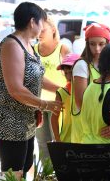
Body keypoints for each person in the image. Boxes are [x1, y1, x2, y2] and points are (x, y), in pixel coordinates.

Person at [0, 2, 62, 177]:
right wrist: (45, 104)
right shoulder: (12, 45)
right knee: (13, 171)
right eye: (41, 23)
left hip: (25, 120)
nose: (42, 28)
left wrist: (62, 90)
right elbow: (16, 89)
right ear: (32, 22)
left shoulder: (28, 45)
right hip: (9, 120)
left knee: (24, 167)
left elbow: (38, 77)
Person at [34, 17, 70, 160]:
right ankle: (46, 174)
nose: (39, 34)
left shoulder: (63, 49)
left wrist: (63, 93)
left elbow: (72, 76)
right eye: (38, 30)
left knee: (58, 141)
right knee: (42, 143)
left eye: (43, 30)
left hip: (58, 103)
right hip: (39, 103)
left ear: (53, 30)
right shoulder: (33, 50)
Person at [71, 22, 110, 143]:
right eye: (92, 44)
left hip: (103, 124)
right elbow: (80, 102)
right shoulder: (82, 65)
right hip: (86, 127)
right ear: (87, 44)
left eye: (101, 44)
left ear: (108, 43)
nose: (97, 49)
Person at [51, 53, 79, 143]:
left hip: (85, 139)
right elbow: (54, 118)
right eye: (65, 72)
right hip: (66, 140)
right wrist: (58, 140)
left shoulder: (87, 90)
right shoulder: (61, 93)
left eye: (70, 71)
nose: (67, 75)